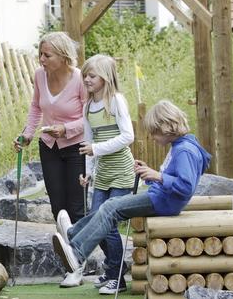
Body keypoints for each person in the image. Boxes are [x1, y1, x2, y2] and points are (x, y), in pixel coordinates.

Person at [53, 100, 211, 287]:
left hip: (164, 201)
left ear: (167, 126)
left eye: (154, 132)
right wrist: (150, 173)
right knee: (110, 206)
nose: (152, 137)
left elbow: (186, 187)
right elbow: (173, 177)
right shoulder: (181, 145)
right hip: (161, 196)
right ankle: (74, 233)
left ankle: (77, 254)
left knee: (112, 207)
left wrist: (158, 176)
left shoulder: (185, 150)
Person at [69, 54, 136, 292]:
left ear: (105, 78)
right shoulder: (88, 107)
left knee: (107, 225)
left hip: (121, 172)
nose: (86, 79)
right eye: (85, 75)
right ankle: (113, 270)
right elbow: (88, 143)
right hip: (103, 174)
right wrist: (87, 173)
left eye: (92, 75)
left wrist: (96, 148)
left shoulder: (116, 101)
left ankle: (117, 277)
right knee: (99, 221)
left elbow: (128, 137)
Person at [14, 32, 88, 228]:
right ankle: (65, 251)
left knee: (76, 208)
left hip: (77, 148)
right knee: (58, 207)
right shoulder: (39, 75)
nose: (41, 59)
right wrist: (27, 134)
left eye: (47, 55)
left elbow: (89, 118)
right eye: (40, 54)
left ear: (63, 56)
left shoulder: (80, 79)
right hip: (49, 147)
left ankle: (78, 253)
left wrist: (66, 129)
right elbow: (36, 106)